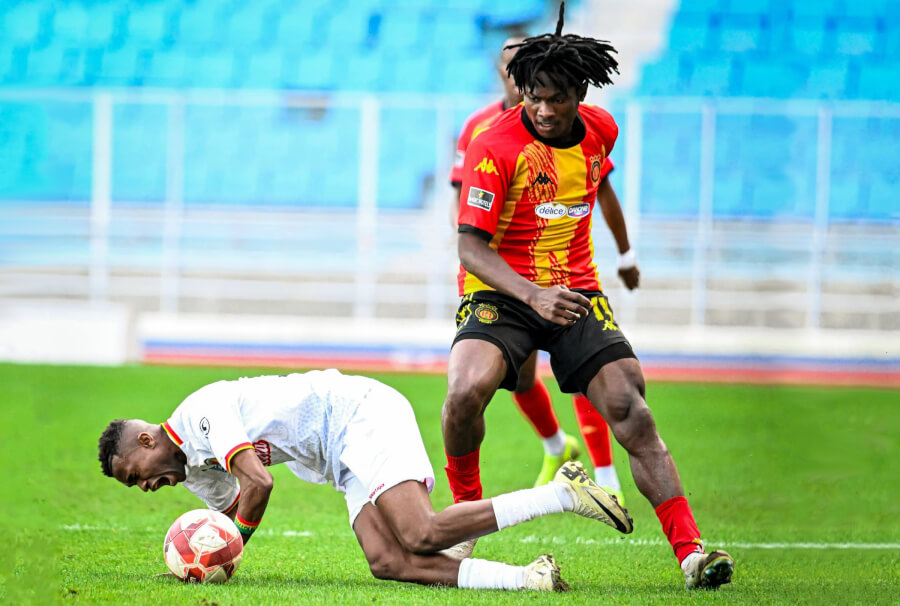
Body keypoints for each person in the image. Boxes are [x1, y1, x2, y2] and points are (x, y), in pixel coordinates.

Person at [441, 3, 734, 590]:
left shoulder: (602, 129)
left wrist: (621, 257)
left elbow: (600, 190)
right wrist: (534, 295)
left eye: (557, 97)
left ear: (581, 90)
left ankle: (692, 553)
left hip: (576, 291)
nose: (544, 110)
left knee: (632, 408)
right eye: (533, 97)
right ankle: (464, 520)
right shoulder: (492, 146)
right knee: (464, 391)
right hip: (502, 290)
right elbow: (469, 247)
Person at [97, 370, 634, 592]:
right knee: (386, 562)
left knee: (420, 533)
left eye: (133, 477)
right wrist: (213, 555)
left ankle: (563, 491)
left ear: (146, 442)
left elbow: (258, 486)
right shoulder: (192, 472)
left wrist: (220, 551)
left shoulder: (200, 413)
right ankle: (529, 579)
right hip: (337, 456)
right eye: (132, 488)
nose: (142, 488)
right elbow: (233, 515)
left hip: (358, 413)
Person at [450, 37, 639, 498]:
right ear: (507, 76)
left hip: (565, 276)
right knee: (518, 378)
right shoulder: (482, 131)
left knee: (587, 370)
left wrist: (625, 253)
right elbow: (465, 213)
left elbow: (601, 187)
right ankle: (556, 446)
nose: (538, 99)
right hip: (498, 279)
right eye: (516, 73)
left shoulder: (584, 129)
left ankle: (606, 476)